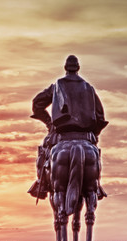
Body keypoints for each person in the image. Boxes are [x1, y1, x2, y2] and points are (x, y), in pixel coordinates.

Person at [28, 55, 108, 200]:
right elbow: (100, 116)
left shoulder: (57, 86)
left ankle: (42, 183)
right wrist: (93, 134)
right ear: (78, 68)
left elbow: (37, 104)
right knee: (95, 155)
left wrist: (49, 123)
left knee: (43, 152)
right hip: (85, 135)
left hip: (61, 135)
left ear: (66, 68)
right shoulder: (88, 88)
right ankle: (96, 185)